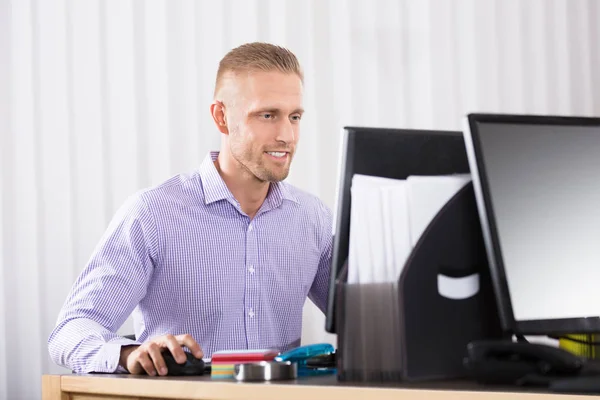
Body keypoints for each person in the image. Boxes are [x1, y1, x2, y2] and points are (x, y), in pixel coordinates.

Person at [48, 42, 333, 376]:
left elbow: (373, 322)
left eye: (294, 117)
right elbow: (70, 332)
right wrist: (129, 353)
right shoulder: (153, 214)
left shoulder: (312, 217)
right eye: (267, 115)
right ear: (221, 117)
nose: (287, 135)